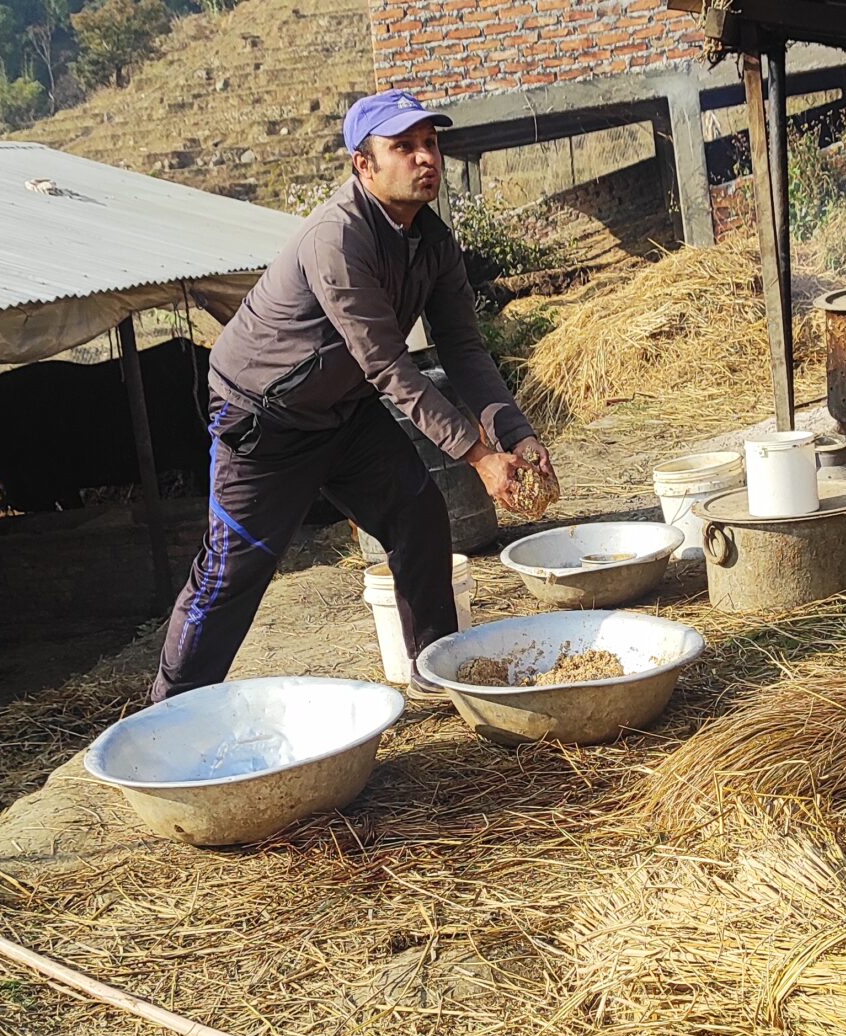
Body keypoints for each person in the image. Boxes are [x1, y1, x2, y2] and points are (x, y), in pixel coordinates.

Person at [150, 89, 553, 703]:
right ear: (364, 165)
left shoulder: (433, 242)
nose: (426, 158)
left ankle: (435, 669)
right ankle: (168, 715)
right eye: (404, 147)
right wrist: (478, 457)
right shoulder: (337, 238)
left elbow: (464, 350)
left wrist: (515, 436)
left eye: (431, 143)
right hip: (264, 419)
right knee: (233, 571)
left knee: (418, 512)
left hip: (344, 409)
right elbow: (388, 364)